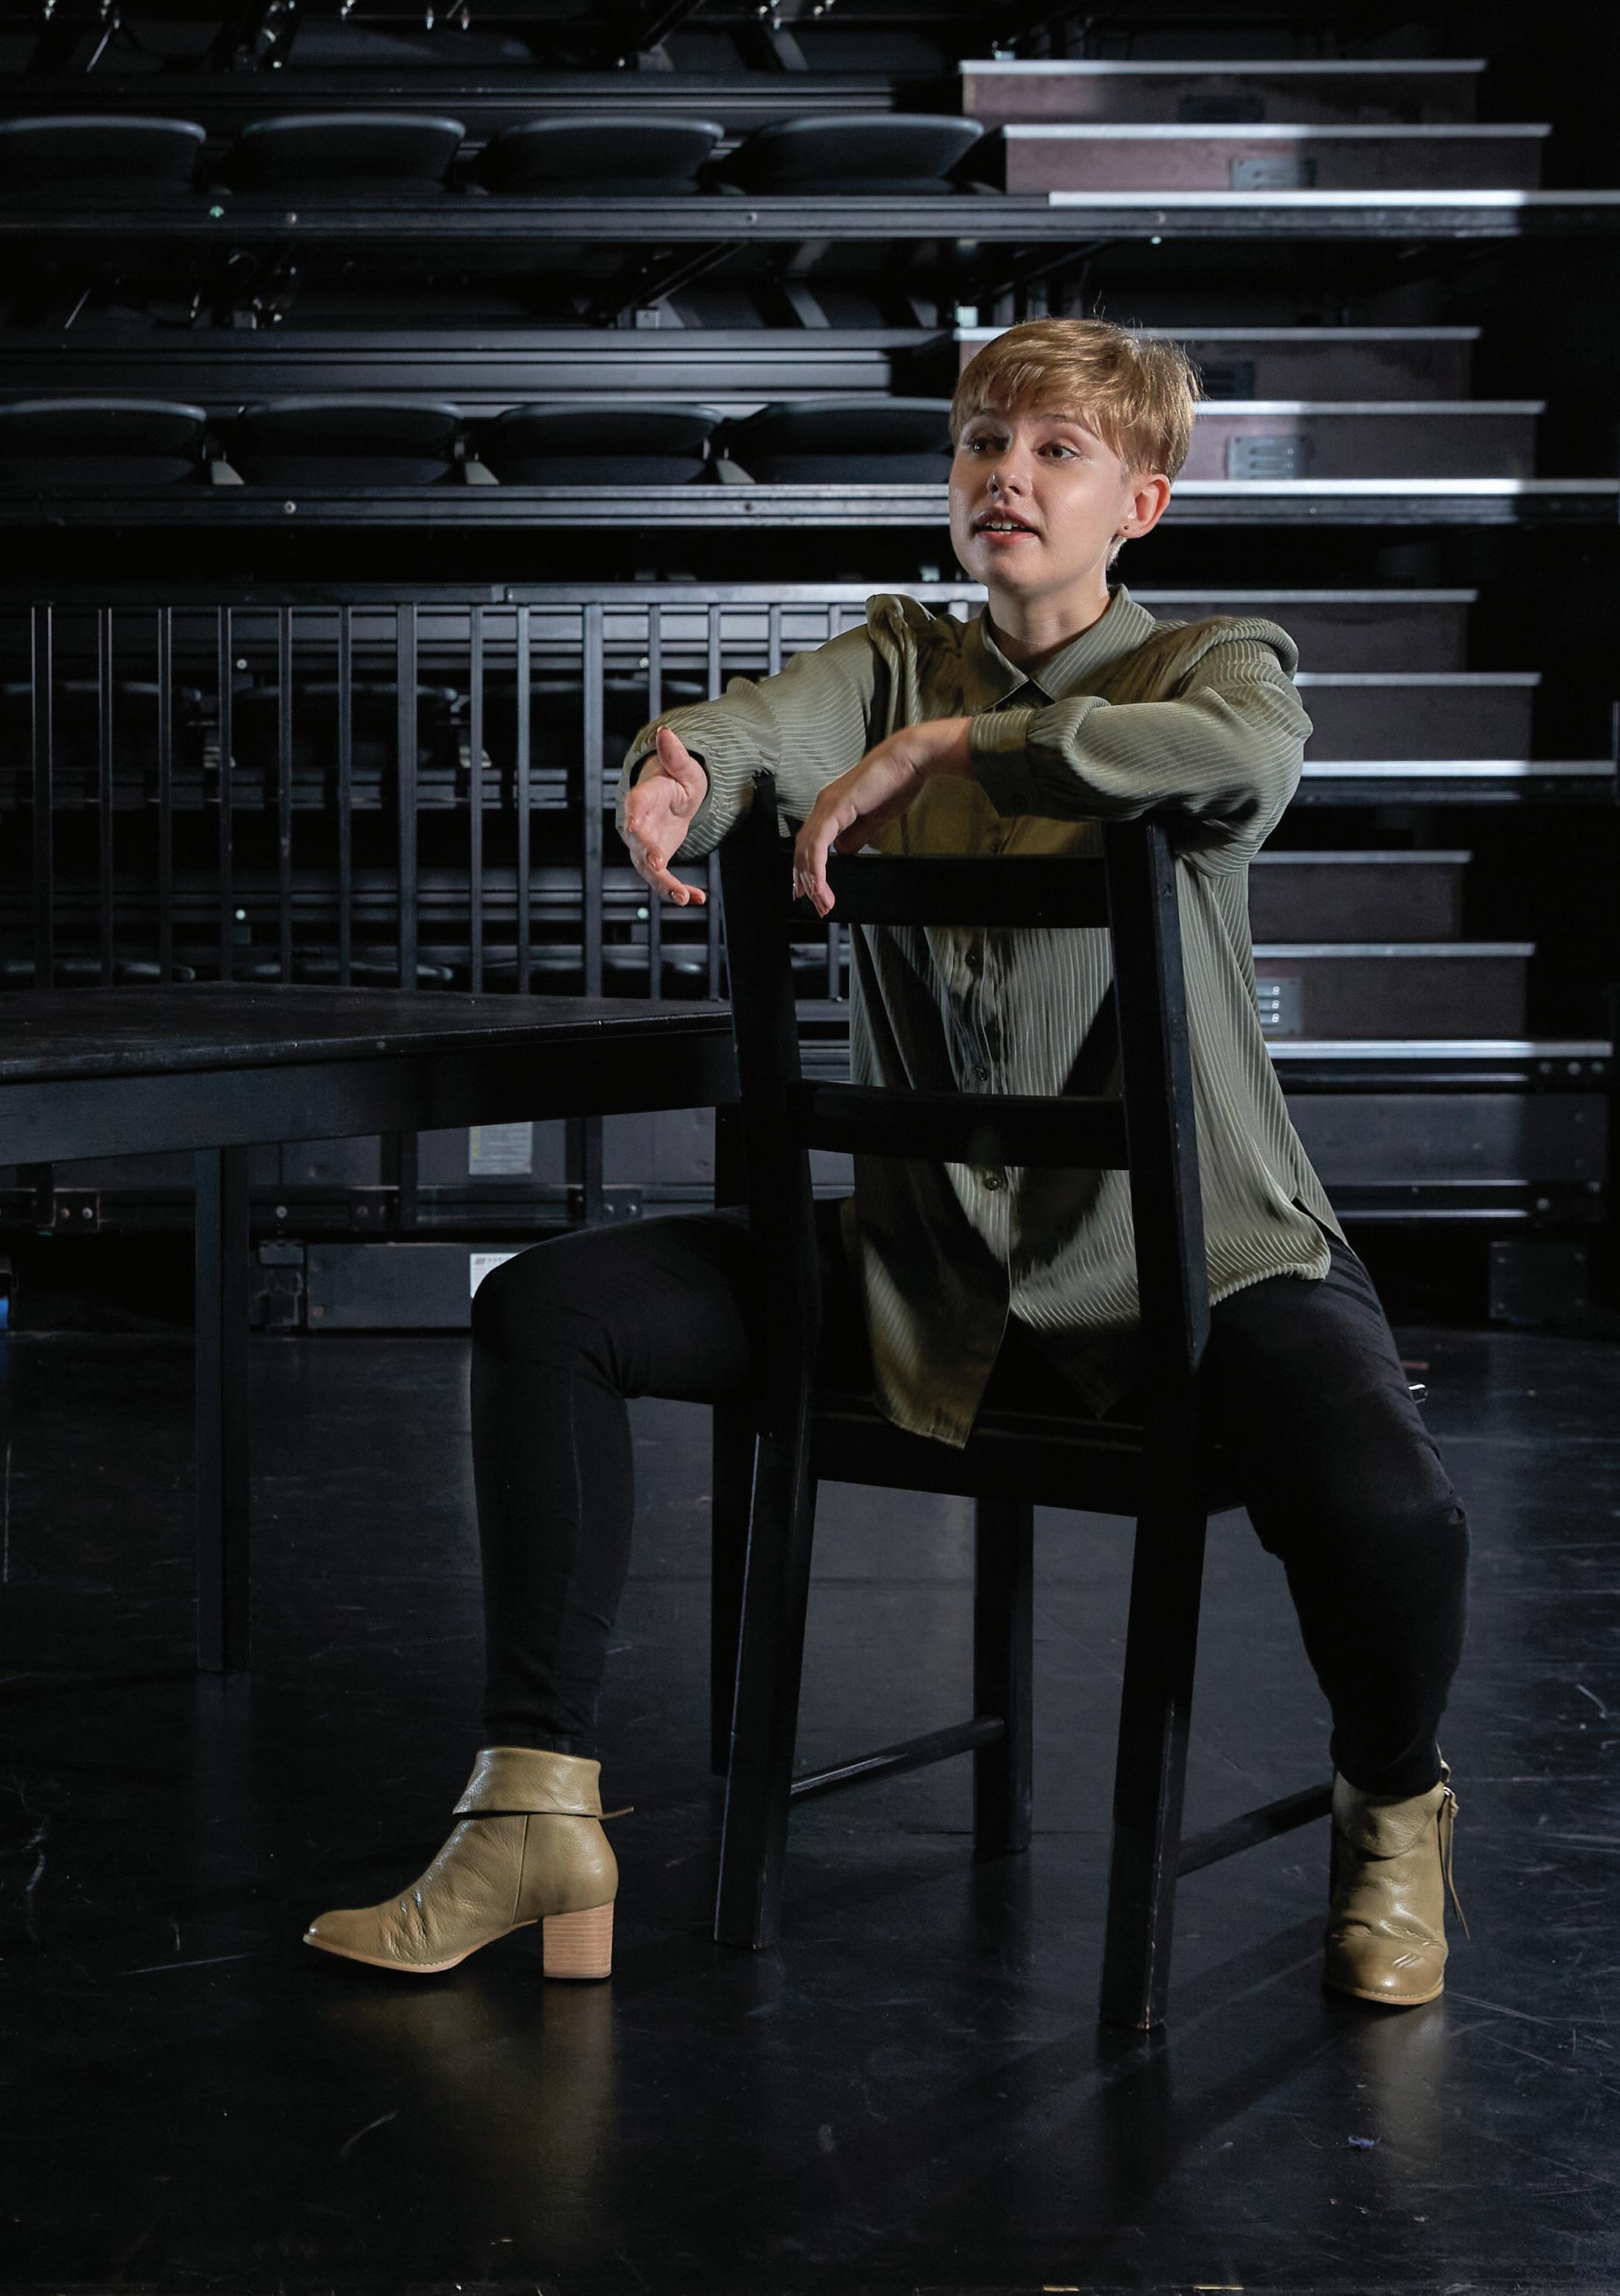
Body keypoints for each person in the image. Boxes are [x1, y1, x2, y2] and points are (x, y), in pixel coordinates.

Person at [304, 318, 1469, 2005]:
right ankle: (531, 1812)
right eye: (983, 442)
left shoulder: (1211, 665)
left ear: (1141, 501)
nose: (1007, 474)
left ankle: (1393, 1807)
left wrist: (963, 753)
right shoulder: (890, 659)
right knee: (547, 1311)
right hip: (933, 1271)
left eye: (1057, 451)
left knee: (1391, 1507)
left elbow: (1253, 762)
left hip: (1207, 1260)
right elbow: (748, 731)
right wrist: (675, 772)